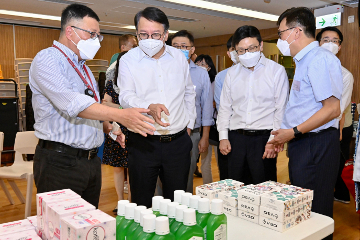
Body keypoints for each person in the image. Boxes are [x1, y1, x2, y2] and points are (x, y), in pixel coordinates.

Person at [29, 4, 155, 208]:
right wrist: (121, 115)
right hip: (60, 162)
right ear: (70, 31)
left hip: (90, 162)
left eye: (99, 35)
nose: (96, 41)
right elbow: (73, 104)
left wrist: (110, 127)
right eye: (92, 34)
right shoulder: (47, 59)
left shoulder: (83, 68)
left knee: (87, 228)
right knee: (62, 229)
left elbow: (91, 108)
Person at [269, 8, 343, 235]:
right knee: (304, 208)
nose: (280, 39)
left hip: (316, 144)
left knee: (316, 210)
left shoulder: (319, 59)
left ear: (296, 31)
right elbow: (303, 106)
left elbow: (332, 109)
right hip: (305, 141)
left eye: (281, 33)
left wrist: (293, 132)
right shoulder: (304, 60)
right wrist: (288, 133)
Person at [118, 7, 196, 208]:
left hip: (178, 142)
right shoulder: (128, 60)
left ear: (166, 35)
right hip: (144, 142)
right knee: (141, 203)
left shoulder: (180, 58)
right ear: (136, 34)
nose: (149, 39)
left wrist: (189, 125)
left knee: (177, 205)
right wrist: (147, 106)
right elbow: (125, 96)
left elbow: (189, 92)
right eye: (143, 34)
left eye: (155, 34)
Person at [217, 25, 289, 185]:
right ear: (235, 51)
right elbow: (225, 108)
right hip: (236, 139)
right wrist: (223, 137)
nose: (246, 53)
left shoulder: (276, 71)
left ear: (261, 46)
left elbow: (280, 109)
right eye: (241, 50)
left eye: (252, 48)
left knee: (263, 188)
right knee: (235, 187)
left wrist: (272, 141)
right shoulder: (231, 73)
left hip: (263, 140)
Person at [171, 31, 213, 193]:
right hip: (167, 131)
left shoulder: (201, 74)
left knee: (187, 174)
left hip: (192, 133)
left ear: (192, 49)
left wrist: (205, 137)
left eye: (184, 46)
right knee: (163, 176)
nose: (180, 49)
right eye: (175, 46)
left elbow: (207, 107)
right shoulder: (164, 71)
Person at [316, 27, 354, 204]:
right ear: (318, 43)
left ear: (339, 47)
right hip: (302, 134)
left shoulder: (345, 76)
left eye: (335, 41)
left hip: (326, 132)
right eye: (326, 40)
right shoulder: (308, 68)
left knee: (325, 176)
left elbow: (337, 109)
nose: (330, 44)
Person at [102, 51, 132, 212]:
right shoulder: (111, 83)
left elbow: (137, 108)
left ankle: (131, 201)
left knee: (133, 166)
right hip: (115, 129)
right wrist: (122, 109)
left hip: (134, 128)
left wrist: (115, 108)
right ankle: (121, 201)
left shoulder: (138, 83)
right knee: (117, 167)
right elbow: (104, 105)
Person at [213, 36, 239, 180]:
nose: (238, 52)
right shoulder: (222, 77)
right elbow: (221, 105)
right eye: (234, 49)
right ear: (229, 53)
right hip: (227, 129)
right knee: (228, 174)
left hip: (250, 131)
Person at [194, 54, 218, 185]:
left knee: (220, 163)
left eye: (203, 64)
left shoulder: (215, 81)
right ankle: (207, 189)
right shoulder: (195, 81)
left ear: (209, 67)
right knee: (205, 162)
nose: (200, 67)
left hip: (215, 126)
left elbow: (216, 103)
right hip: (200, 126)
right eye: (197, 63)